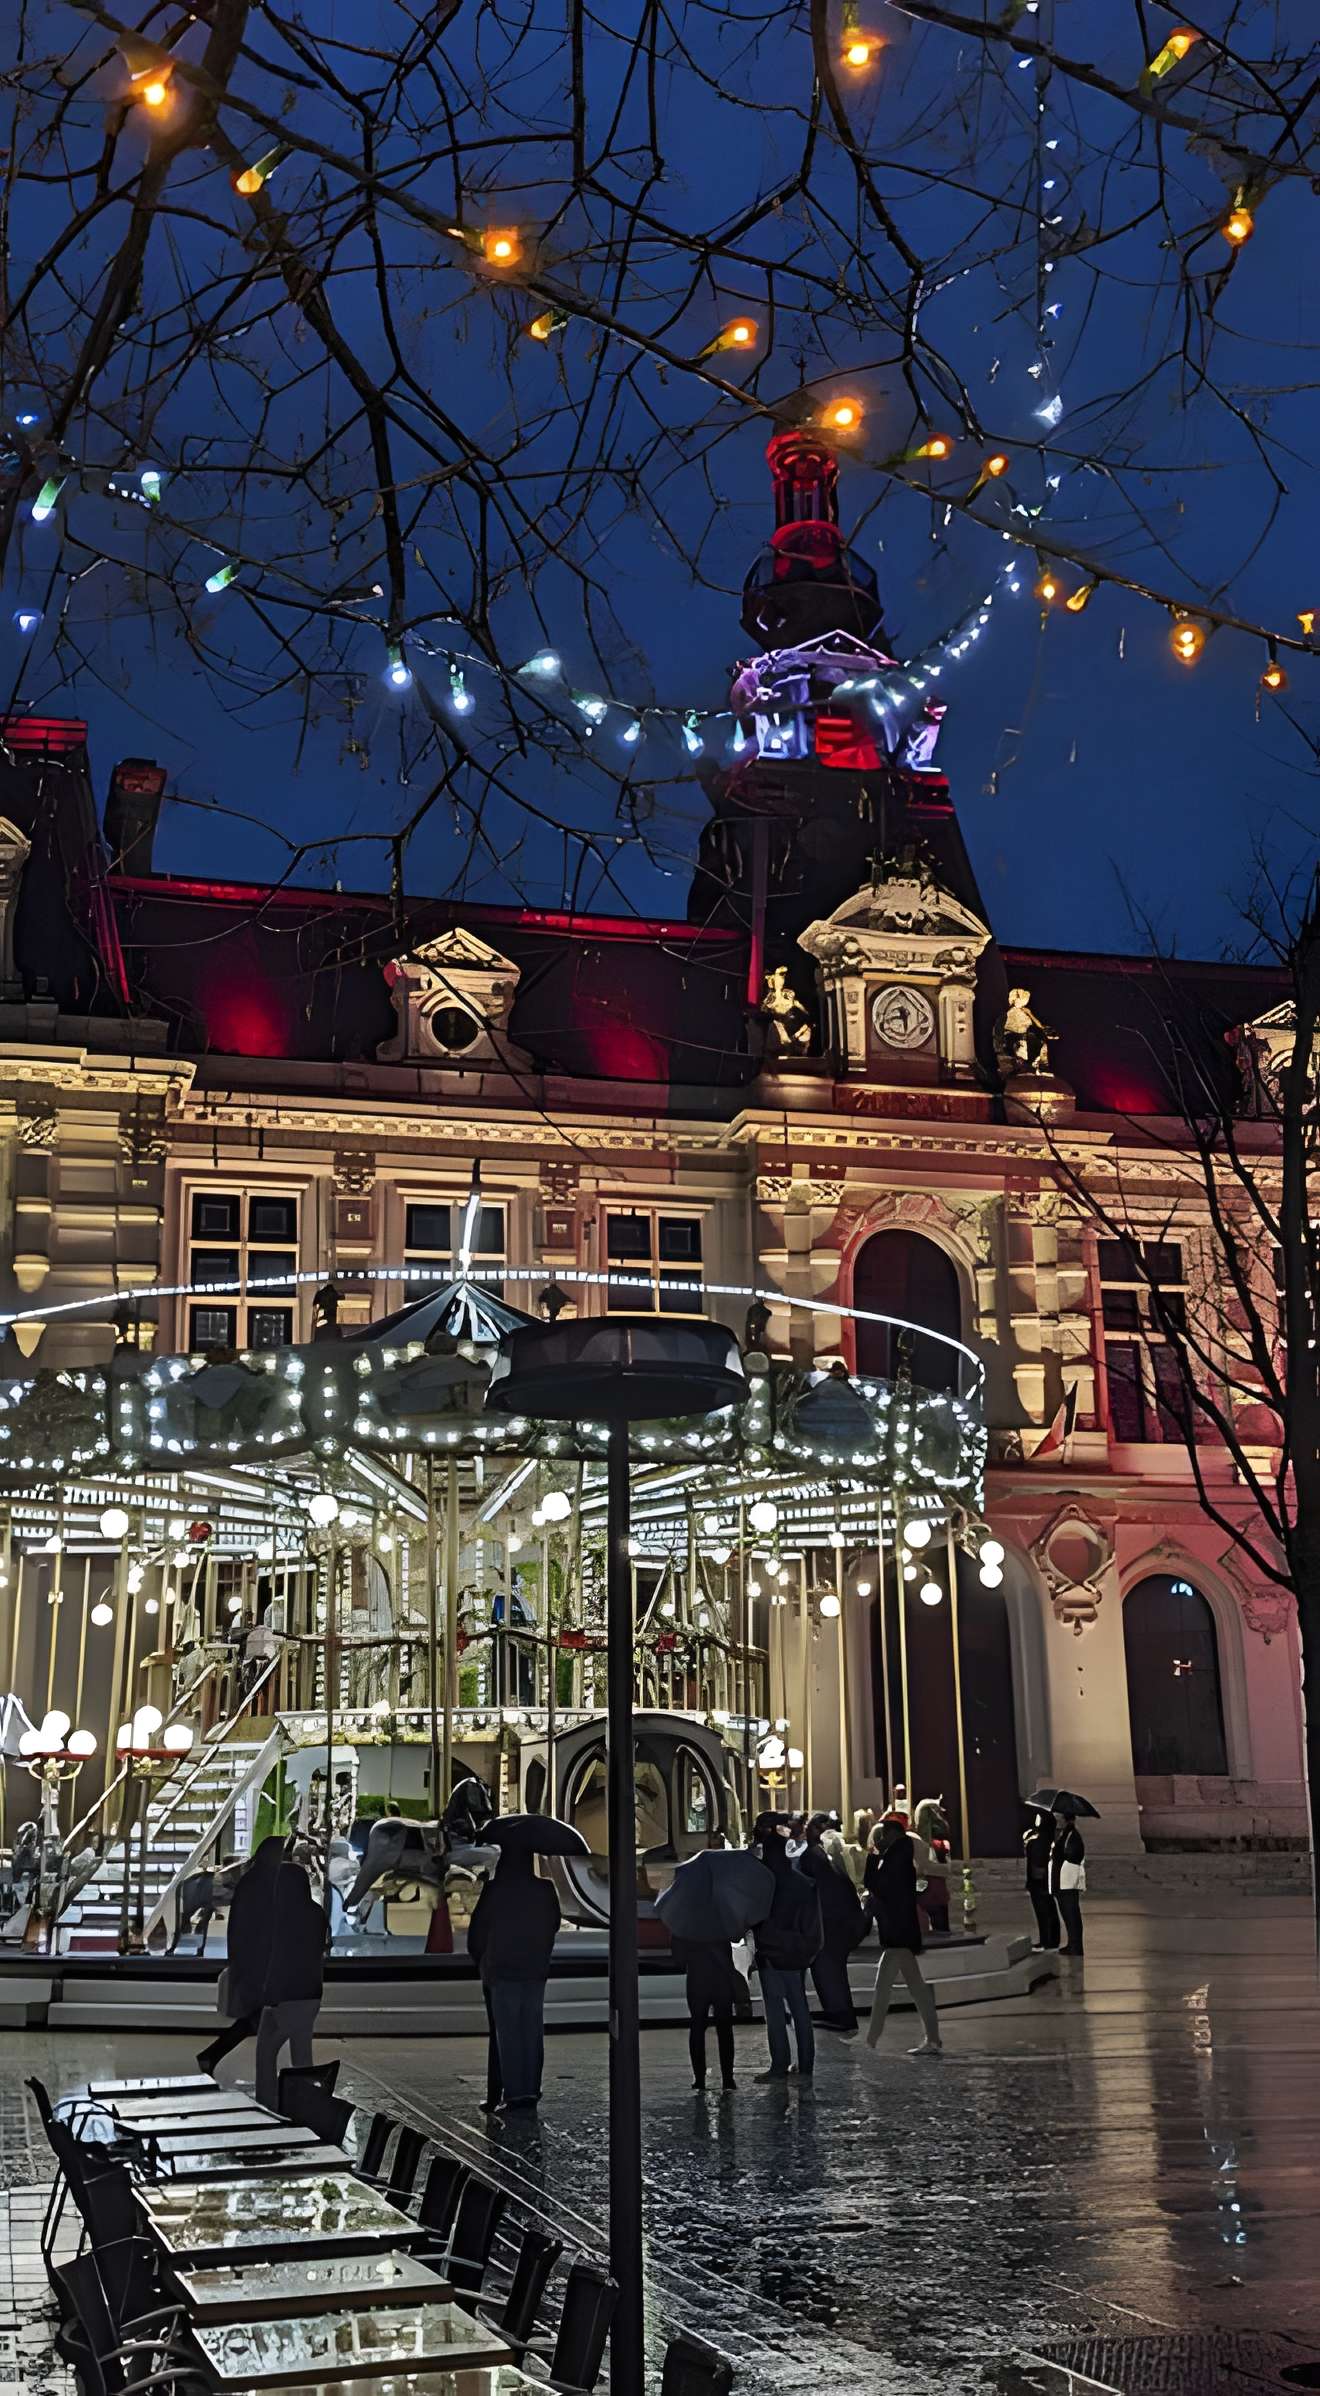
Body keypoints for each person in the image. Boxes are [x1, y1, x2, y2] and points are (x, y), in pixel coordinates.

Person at [202, 1835, 327, 2104]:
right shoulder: (316, 1914)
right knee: (302, 2053)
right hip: (310, 1995)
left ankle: (267, 2100)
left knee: (266, 2051)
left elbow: (271, 1953)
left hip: (278, 1992)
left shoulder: (279, 1912)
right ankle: (309, 2100)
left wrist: (263, 1989)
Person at [467, 1846, 561, 2110]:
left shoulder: (496, 1890)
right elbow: (553, 1922)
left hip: (501, 1968)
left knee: (506, 2034)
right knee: (531, 2030)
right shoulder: (545, 1889)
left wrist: (482, 1960)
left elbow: (478, 1930)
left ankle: (513, 2091)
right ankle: (530, 2088)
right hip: (534, 1968)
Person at [751, 1811, 822, 2083]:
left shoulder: (763, 1884)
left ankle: (779, 2064)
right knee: (799, 2006)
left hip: (771, 1952)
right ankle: (806, 2065)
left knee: (775, 2010)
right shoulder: (801, 1883)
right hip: (796, 1952)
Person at [863, 1817, 942, 2056]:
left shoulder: (896, 1859)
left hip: (897, 1932)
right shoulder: (901, 1856)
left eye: (883, 1835)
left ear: (892, 1835)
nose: (880, 1840)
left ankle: (871, 2041)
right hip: (900, 1932)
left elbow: (875, 1885)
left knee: (885, 1987)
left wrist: (873, 1856)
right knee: (914, 1988)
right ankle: (932, 2038)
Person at [797, 1811, 864, 2031]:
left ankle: (840, 2015)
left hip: (830, 1923)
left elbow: (812, 1890)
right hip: (840, 1920)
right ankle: (840, 2013)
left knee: (828, 1969)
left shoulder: (812, 1855)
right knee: (832, 1970)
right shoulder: (824, 1853)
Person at [670, 1933, 739, 2091]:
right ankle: (728, 2078)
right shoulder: (721, 1915)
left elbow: (678, 1959)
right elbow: (736, 1936)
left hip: (697, 1978)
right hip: (722, 1977)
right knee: (725, 2029)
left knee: (697, 2027)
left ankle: (699, 2079)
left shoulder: (684, 1922)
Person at [1050, 1809, 1087, 1955]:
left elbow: (1074, 1855)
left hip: (1068, 1879)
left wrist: (1060, 1854)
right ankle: (1072, 1943)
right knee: (1067, 1913)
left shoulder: (1072, 1835)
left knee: (1071, 1913)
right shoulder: (1064, 1835)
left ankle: (1076, 1945)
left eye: (1060, 1818)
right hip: (1061, 1879)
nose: (1058, 1820)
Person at [1024, 1810, 1059, 1950]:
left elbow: (1036, 1863)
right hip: (1045, 1881)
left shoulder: (1039, 1843)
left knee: (1044, 1912)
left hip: (1039, 1882)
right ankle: (1049, 1939)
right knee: (1049, 1911)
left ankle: (1047, 1939)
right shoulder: (1050, 1842)